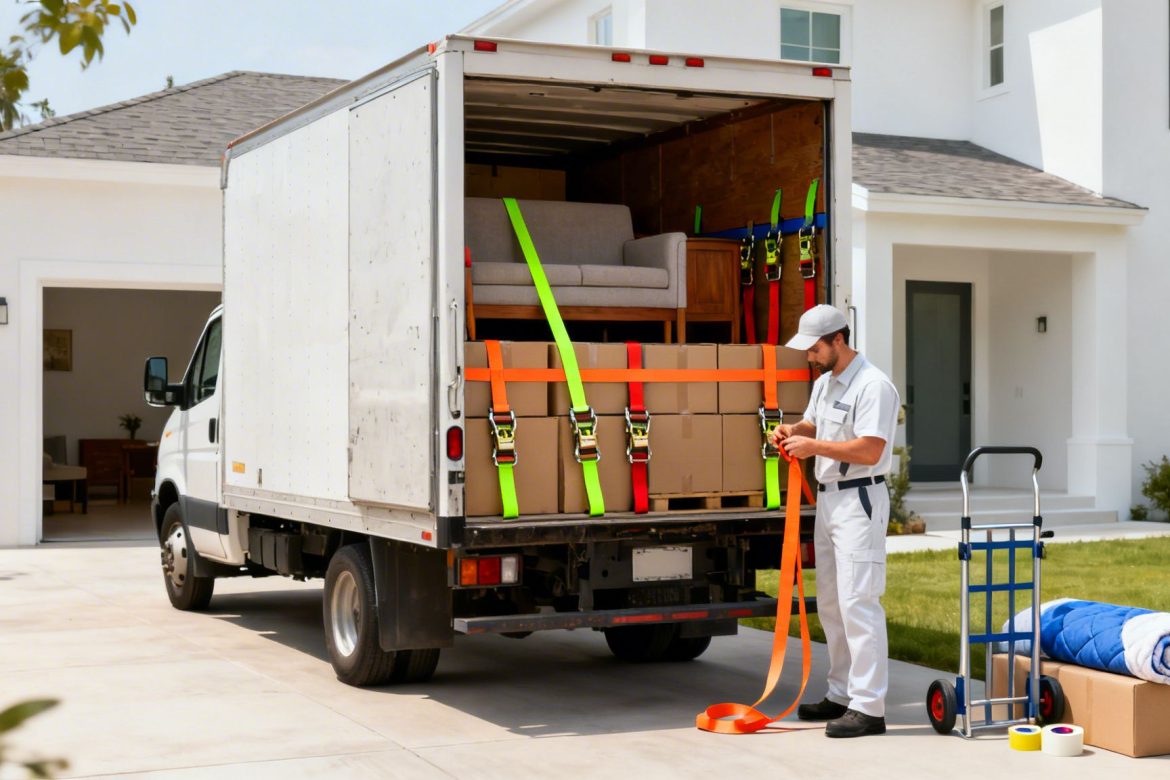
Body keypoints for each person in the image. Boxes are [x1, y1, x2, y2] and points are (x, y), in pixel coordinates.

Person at [771, 304, 900, 738]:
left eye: (814, 348)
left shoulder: (874, 386)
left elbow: (869, 450)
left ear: (838, 340)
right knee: (831, 601)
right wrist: (793, 431)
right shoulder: (826, 383)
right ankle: (842, 692)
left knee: (858, 601)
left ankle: (869, 707)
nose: (809, 356)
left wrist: (815, 447)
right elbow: (814, 423)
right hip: (828, 503)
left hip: (859, 501)